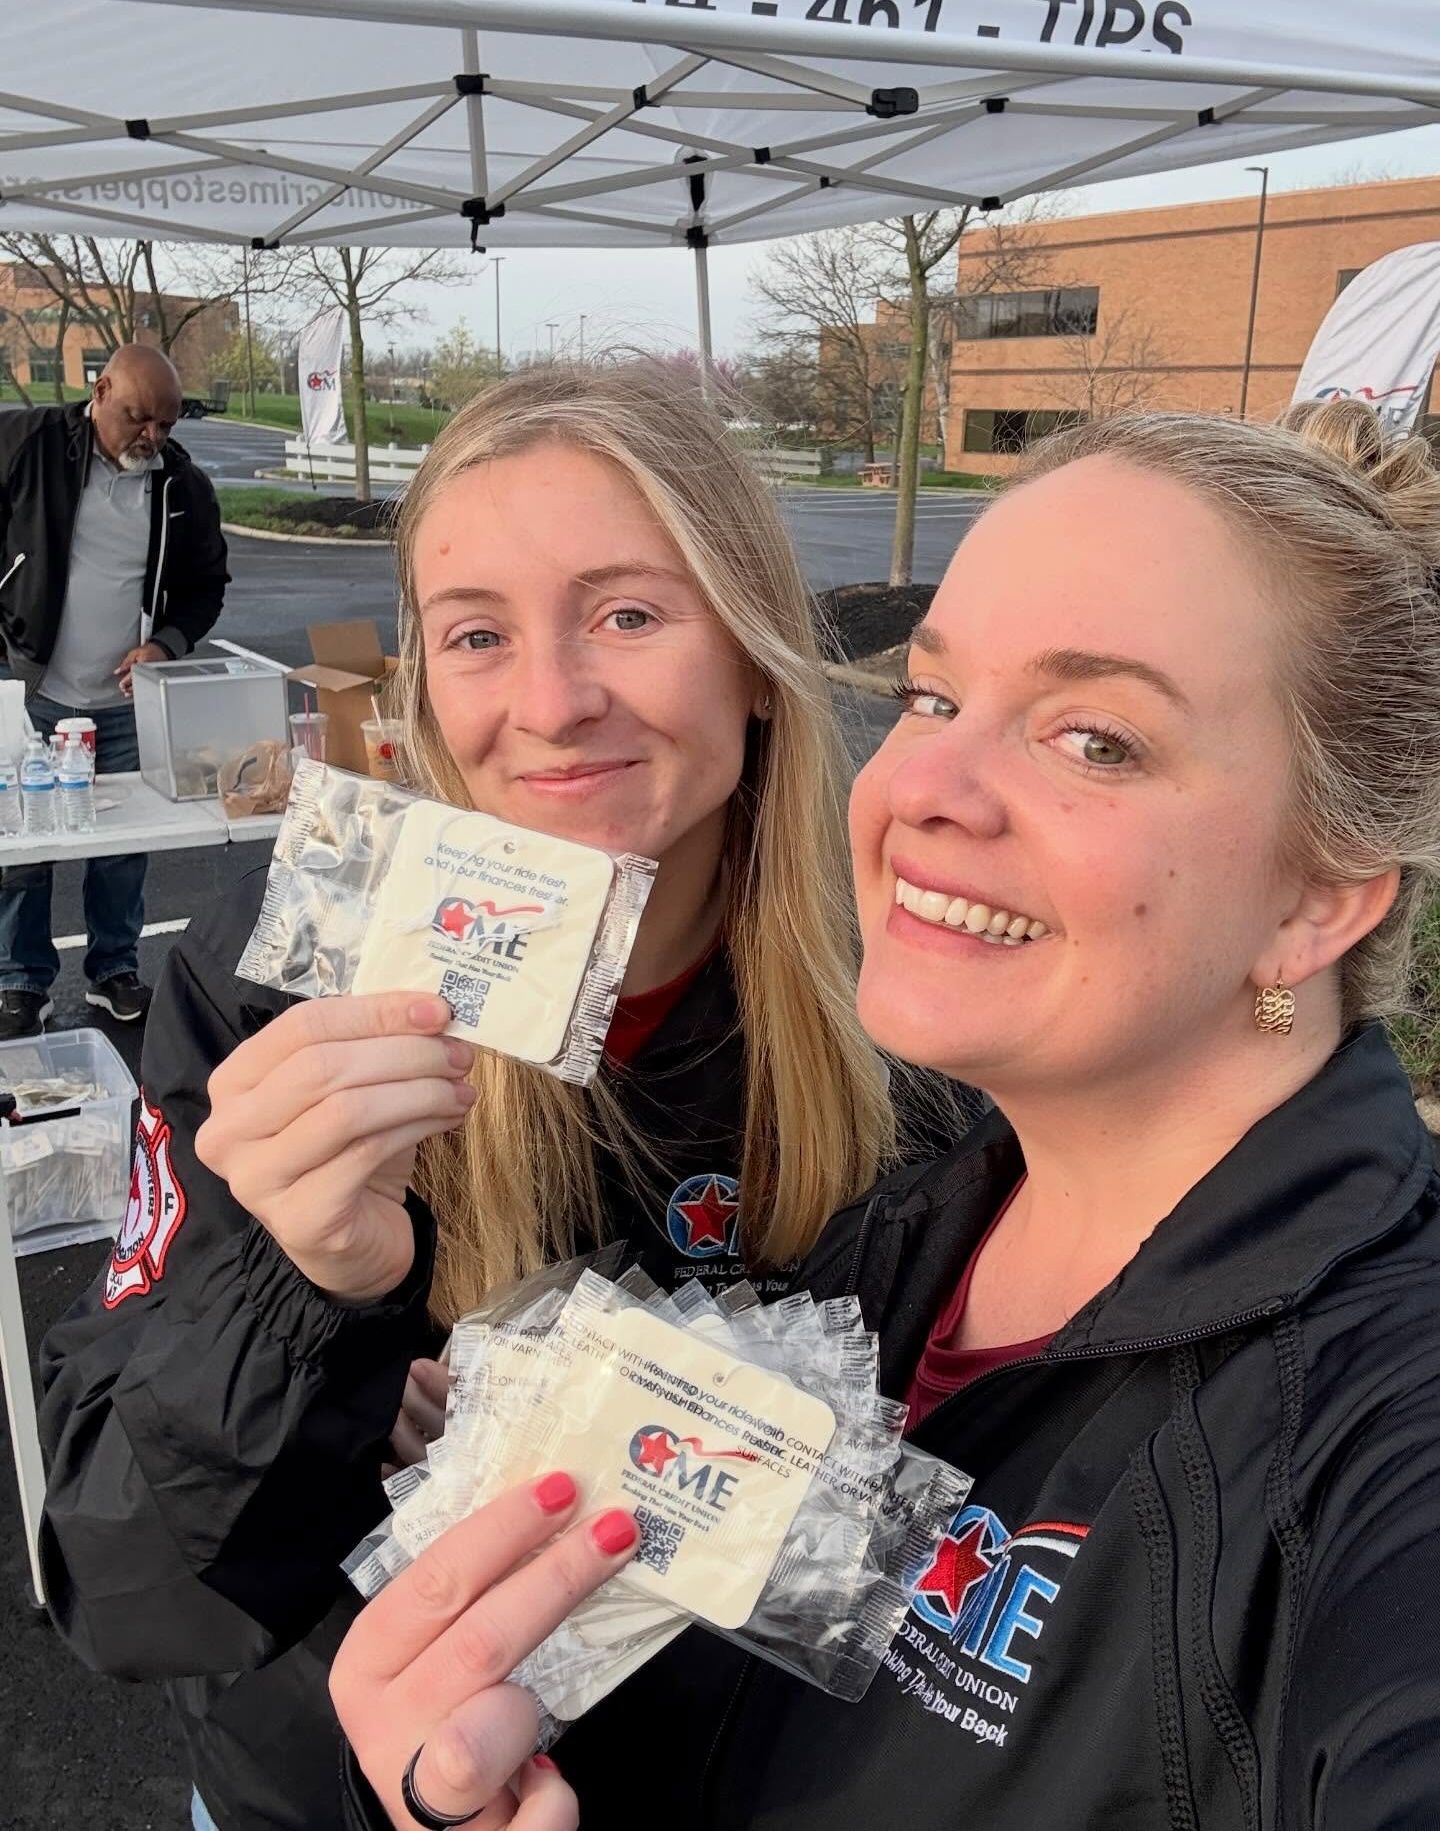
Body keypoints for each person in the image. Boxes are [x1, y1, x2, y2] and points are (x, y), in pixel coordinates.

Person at [332, 399, 1440, 1831]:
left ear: (1316, 901)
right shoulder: (897, 1252)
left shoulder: (1376, 1438)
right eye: (931, 698)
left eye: (1096, 739)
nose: (921, 787)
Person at [39, 362, 946, 1831]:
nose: (551, 705)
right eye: (477, 634)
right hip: (328, 1786)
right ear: (424, 683)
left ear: (754, 655)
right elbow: (129, 1596)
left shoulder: (908, 1010)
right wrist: (291, 1301)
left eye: (630, 615)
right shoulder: (279, 979)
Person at [0, 343, 229, 1035]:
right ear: (99, 392)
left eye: (166, 423)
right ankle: (19, 980)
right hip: (29, 687)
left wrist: (166, 644)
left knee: (124, 848)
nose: (152, 437)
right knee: (22, 845)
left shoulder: (181, 487)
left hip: (124, 702)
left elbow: (206, 586)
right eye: (138, 418)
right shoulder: (26, 444)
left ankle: (113, 971)